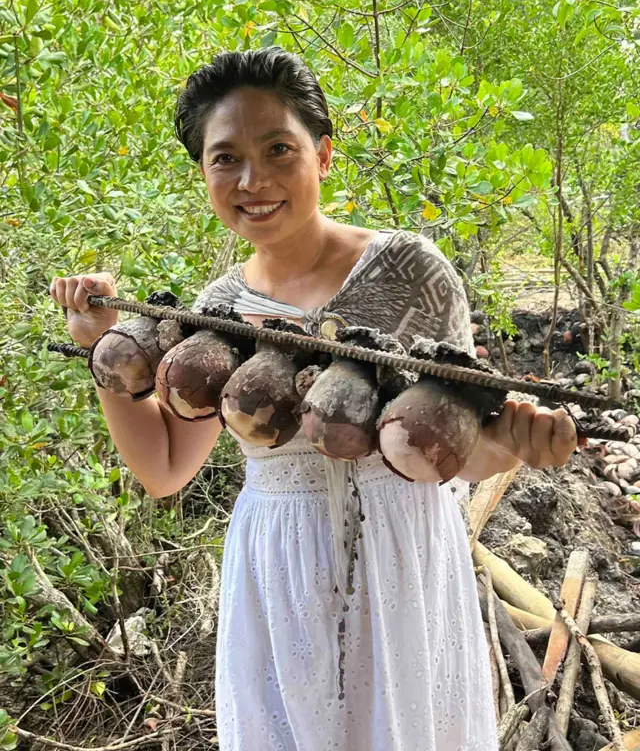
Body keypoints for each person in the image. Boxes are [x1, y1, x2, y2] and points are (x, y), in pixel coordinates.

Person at [50, 47, 578, 751]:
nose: (253, 179)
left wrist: (515, 442)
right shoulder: (220, 309)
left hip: (402, 558)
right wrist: (100, 346)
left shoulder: (412, 272)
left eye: (278, 149)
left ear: (323, 155)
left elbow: (457, 452)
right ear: (202, 174)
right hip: (279, 564)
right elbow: (165, 467)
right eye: (225, 158)